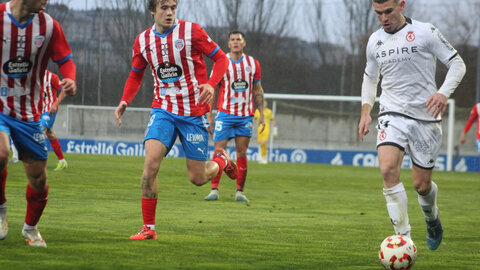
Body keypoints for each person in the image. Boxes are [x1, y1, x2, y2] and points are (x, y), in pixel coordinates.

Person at [114, 0, 236, 240]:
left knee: (197, 178)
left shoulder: (192, 32)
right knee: (150, 164)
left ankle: (221, 162)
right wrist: (125, 100)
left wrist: (212, 85)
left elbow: (222, 59)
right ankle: (149, 228)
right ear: (152, 10)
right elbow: (135, 74)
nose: (169, 12)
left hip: (193, 113)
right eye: (164, 8)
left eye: (173, 7)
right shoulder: (142, 41)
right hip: (163, 110)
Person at [358, 0, 466, 251]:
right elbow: (370, 77)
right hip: (391, 113)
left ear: (402, 5)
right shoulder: (375, 41)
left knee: (421, 185)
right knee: (387, 170)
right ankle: (403, 240)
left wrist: (443, 93)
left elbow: (457, 64)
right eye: (378, 13)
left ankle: (432, 218)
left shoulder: (425, 32)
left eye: (388, 11)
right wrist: (365, 110)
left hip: (425, 117)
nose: (383, 18)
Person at [0, 0, 77, 247]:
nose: (46, 1)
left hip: (29, 113)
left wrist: (70, 79)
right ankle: (1, 208)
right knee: (1, 153)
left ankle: (30, 229)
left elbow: (66, 60)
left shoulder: (50, 26)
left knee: (39, 179)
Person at [204, 31, 265, 203]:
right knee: (219, 152)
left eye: (239, 39)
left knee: (241, 152)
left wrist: (261, 114)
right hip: (224, 114)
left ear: (244, 43)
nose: (236, 42)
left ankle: (240, 192)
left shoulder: (253, 64)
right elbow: (212, 90)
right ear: (228, 44)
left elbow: (258, 90)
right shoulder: (221, 63)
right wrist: (209, 115)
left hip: (245, 116)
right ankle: (214, 189)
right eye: (232, 40)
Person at [41, 70, 68, 171]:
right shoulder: (32, 76)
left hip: (50, 110)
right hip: (39, 110)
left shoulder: (51, 77)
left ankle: (39, 162)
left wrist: (55, 104)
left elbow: (64, 90)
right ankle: (62, 161)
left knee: (40, 131)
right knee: (50, 134)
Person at [254, 100, 277, 164]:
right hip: (259, 130)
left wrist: (275, 129)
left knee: (263, 142)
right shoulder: (257, 111)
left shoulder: (269, 111)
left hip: (266, 129)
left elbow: (272, 120)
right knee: (260, 143)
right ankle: (262, 157)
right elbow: (254, 119)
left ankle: (264, 158)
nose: (264, 104)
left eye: (265, 103)